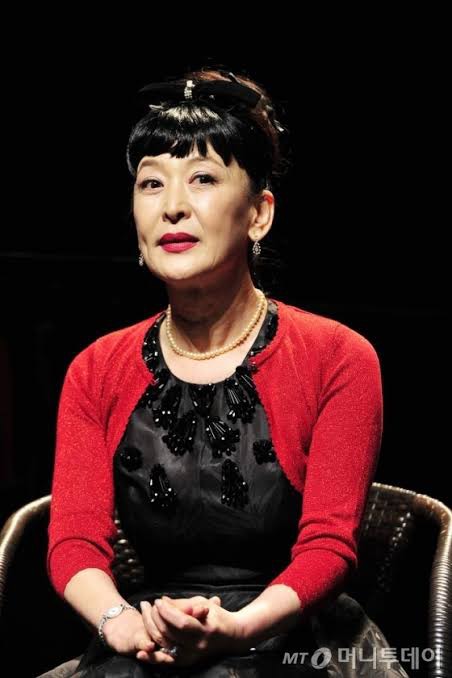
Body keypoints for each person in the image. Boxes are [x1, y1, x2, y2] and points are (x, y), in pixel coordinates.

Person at [41, 68, 410, 677]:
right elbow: (74, 540)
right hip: (150, 631)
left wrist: (236, 630)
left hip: (293, 634)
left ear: (259, 214)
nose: (172, 207)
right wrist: (122, 624)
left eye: (204, 178)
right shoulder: (95, 369)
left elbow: (329, 545)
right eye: (151, 183)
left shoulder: (338, 356)